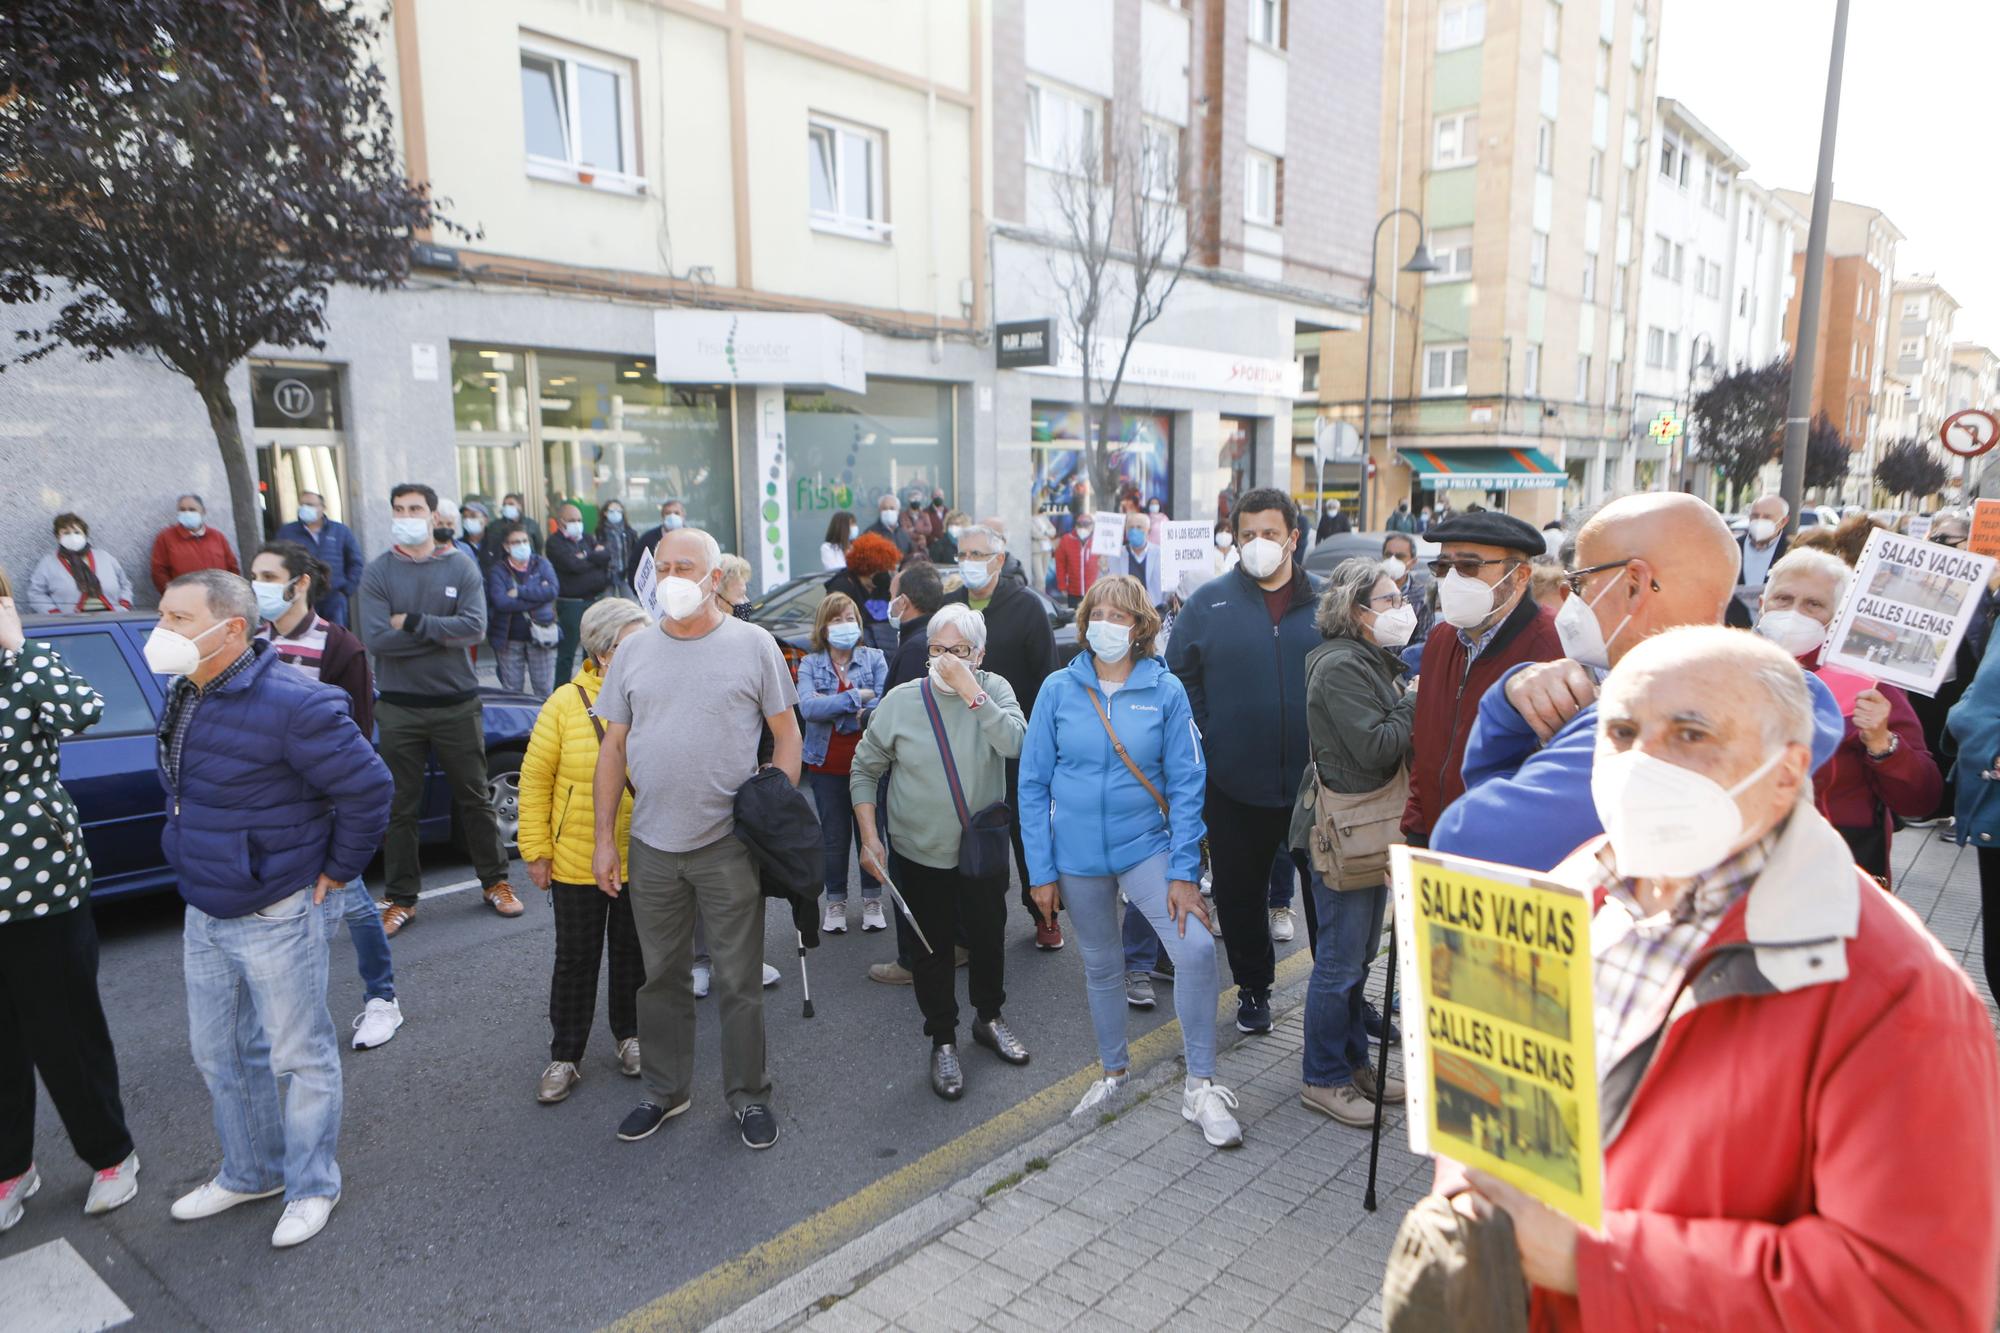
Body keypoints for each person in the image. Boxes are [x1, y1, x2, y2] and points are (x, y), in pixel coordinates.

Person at [1438, 626, 2000, 1333]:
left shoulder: (1900, 994)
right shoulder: (1581, 879)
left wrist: (1596, 1259)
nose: (1641, 761)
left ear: (1788, 770)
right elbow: (1493, 1102)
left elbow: (1913, 1302)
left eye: (1690, 733)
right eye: (1621, 729)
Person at [153, 570, 392, 1249]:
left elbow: (370, 788)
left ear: (230, 628)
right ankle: (250, 1170)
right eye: (164, 613)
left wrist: (337, 871)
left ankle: (312, 1183)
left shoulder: (297, 702)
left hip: (276, 909)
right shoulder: (187, 689)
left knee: (299, 1054)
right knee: (220, 1051)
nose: (162, 628)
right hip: (204, 904)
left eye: (177, 616)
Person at [1432, 493, 1843, 871]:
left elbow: (1464, 839)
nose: (1569, 601)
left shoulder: (1639, 728)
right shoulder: (1782, 698)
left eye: (1579, 583)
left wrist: (1503, 716)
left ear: (1634, 583)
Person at [591, 526, 799, 1149]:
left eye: (687, 566)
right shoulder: (633, 652)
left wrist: (774, 810)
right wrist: (606, 839)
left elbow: (786, 736)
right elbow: (614, 749)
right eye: (663, 567)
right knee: (662, 981)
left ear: (715, 578)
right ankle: (665, 1090)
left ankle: (748, 1095)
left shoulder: (752, 645)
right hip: (653, 848)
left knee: (738, 981)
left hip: (728, 846)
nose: (672, 577)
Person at [1018, 577, 1241, 1145]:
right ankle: (1113, 1073)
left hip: (1147, 847)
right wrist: (1040, 871)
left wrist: (1185, 870)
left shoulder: (1165, 692)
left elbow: (1190, 783)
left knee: (1192, 950)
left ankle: (1201, 1086)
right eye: (1098, 613)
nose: (1106, 624)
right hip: (1075, 856)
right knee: (1100, 964)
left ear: (1141, 626)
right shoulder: (1057, 689)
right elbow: (1032, 782)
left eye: (1120, 615)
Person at [0, 576, 140, 1232]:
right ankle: (10, 1166)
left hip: (36, 885)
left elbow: (84, 710)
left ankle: (111, 1156)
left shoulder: (27, 665)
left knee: (64, 1030)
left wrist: (20, 648)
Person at [850, 605, 1031, 1100]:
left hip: (981, 848)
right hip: (917, 850)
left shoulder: (993, 690)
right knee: (931, 952)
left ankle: (989, 1018)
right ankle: (943, 1040)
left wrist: (972, 692)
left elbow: (1017, 743)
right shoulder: (902, 701)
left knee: (989, 937)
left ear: (980, 655)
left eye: (958, 651)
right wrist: (870, 837)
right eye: (937, 650)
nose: (945, 661)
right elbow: (865, 768)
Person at [1166, 487, 1321, 1036]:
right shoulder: (1209, 603)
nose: (1258, 544)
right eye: (1248, 534)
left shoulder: (1328, 603)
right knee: (1239, 895)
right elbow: (1178, 673)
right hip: (1233, 785)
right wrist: (1209, 733)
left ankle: (1338, 993)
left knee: (1329, 893)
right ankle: (1255, 989)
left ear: (1293, 538)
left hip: (1316, 787)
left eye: (1270, 534)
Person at [250, 543, 404, 1050]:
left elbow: (357, 735)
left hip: (320, 804)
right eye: (254, 575)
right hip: (268, 806)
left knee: (351, 901)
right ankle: (280, 1015)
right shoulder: (252, 641)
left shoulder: (341, 648)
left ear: (300, 584)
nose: (258, 586)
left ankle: (382, 999)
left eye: (268, 576)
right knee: (276, 910)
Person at [357, 483, 522, 935]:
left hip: (455, 704)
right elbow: (375, 640)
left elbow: (473, 630)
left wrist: (409, 622)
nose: (406, 515)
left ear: (434, 516)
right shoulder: (377, 573)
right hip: (398, 708)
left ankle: (496, 884)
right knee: (399, 807)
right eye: (398, 509)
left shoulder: (461, 566)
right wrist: (437, 633)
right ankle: (400, 898)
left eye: (415, 509)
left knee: (474, 799)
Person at [1286, 558, 1417, 1126]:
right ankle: (1323, 1077)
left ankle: (1355, 1063)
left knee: (1360, 959)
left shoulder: (1368, 660)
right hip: (1343, 834)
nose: (1400, 609)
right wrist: (1414, 696)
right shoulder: (1342, 667)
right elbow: (1378, 747)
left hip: (1365, 828)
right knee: (1339, 963)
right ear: (1356, 611)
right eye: (1388, 601)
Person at [519, 598, 651, 1105]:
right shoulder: (564, 703)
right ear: (601, 651)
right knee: (575, 958)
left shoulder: (653, 696)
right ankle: (565, 1055)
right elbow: (534, 781)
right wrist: (535, 850)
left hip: (642, 855)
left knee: (632, 953)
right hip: (576, 859)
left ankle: (630, 1037)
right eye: (629, 645)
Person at [1755, 548, 1940, 885]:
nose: (1795, 612)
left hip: (1836, 862)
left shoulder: (1866, 682)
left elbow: (1922, 798)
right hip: (1740, 857)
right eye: (1783, 598)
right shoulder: (1724, 664)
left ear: (1836, 617)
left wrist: (1884, 744)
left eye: (1814, 604)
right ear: (1762, 605)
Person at [1401, 510, 1561, 853]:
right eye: (1443, 567)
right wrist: (1415, 834)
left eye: (1469, 567)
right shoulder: (1442, 640)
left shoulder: (1552, 646)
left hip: (1506, 857)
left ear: (1519, 576)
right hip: (1435, 843)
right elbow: (1425, 749)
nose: (1452, 580)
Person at [956, 525, 1061, 949]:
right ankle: (975, 921)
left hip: (1020, 743)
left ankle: (1045, 914)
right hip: (964, 745)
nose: (968, 561)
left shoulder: (1026, 608)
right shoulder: (950, 608)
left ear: (999, 560)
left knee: (1026, 832)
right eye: (962, 553)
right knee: (972, 832)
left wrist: (1046, 740)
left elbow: (1048, 677)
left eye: (977, 553)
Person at [797, 592, 889, 935]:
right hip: (826, 767)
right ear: (824, 626)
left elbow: (884, 706)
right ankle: (835, 902)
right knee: (833, 838)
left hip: (869, 763)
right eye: (836, 619)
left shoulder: (875, 658)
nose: (844, 625)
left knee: (871, 833)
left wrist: (833, 704)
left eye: (849, 618)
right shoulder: (810, 663)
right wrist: (856, 698)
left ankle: (872, 900)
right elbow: (807, 708)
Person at [485, 529, 560, 696]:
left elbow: (552, 591)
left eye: (525, 541)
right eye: (516, 542)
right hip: (509, 637)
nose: (522, 545)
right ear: (506, 546)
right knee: (512, 691)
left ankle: (546, 722)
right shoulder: (498, 570)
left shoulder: (541, 563)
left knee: (544, 689)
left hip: (542, 634)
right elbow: (501, 602)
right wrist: (538, 595)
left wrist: (519, 592)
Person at [272, 492, 363, 625]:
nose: (304, 508)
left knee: (335, 638)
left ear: (323, 507)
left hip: (334, 597)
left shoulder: (340, 531)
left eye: (309, 505)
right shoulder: (287, 532)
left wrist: (346, 590)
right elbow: (277, 563)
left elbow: (356, 562)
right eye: (302, 504)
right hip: (300, 598)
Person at [547, 501, 611, 683]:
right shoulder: (554, 543)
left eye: (579, 519)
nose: (577, 523)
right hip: (571, 604)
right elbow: (572, 565)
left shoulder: (588, 539)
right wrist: (593, 558)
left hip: (594, 601)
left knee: (592, 653)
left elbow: (606, 556)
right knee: (567, 653)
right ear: (561, 522)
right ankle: (560, 692)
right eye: (572, 520)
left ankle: (590, 690)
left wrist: (586, 557)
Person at [26, 513, 135, 614]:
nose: (72, 537)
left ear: (85, 535)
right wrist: (54, 614)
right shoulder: (48, 563)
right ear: (58, 537)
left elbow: (125, 584)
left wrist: (124, 605)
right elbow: (36, 593)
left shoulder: (105, 557)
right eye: (66, 533)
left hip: (112, 621)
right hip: (73, 625)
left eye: (77, 532)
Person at [827, 532, 903, 652]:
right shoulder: (843, 585)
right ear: (871, 569)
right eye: (882, 569)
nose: (885, 574)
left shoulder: (881, 587)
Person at [150, 493, 240, 592]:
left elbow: (232, 568)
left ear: (203, 511)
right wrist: (172, 593)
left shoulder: (217, 537)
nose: (187, 513)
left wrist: (230, 593)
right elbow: (158, 571)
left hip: (218, 599)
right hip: (184, 600)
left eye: (192, 509)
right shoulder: (166, 537)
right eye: (182, 510)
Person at [1731, 492, 1790, 620]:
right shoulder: (1732, 547)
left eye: (1767, 517)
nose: (1759, 521)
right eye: (1755, 516)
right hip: (1736, 630)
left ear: (1783, 522)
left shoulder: (1791, 551)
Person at [1380, 531, 1434, 647]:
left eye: (1400, 557)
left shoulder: (1422, 597)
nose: (1392, 561)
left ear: (1413, 562)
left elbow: (1421, 644)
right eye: (1388, 555)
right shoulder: (1368, 590)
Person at [629, 499, 689, 587]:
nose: (672, 516)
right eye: (668, 513)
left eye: (676, 513)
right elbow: (634, 565)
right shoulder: (648, 539)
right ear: (662, 516)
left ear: (683, 516)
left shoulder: (694, 538)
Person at [1054, 515, 1100, 604]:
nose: (1083, 528)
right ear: (1075, 526)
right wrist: (1062, 586)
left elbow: (1106, 566)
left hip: (1094, 591)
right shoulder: (1067, 539)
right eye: (1079, 525)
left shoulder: (1098, 541)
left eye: (1086, 525)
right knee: (1075, 617)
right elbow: (1060, 564)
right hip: (1073, 591)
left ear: (1093, 526)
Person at [1120, 513, 1163, 608]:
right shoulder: (1116, 555)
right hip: (1125, 609)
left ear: (1148, 530)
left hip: (1153, 610)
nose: (1134, 531)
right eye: (1131, 527)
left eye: (1139, 527)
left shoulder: (1161, 553)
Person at [596, 500, 636, 599]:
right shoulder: (600, 532)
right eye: (612, 510)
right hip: (607, 574)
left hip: (625, 573)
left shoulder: (629, 532)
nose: (615, 513)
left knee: (630, 603)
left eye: (618, 510)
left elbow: (634, 550)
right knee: (607, 604)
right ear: (605, 513)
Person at [717, 553, 753, 618]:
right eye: (740, 595)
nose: (746, 601)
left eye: (744, 595)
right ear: (717, 599)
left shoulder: (745, 627)